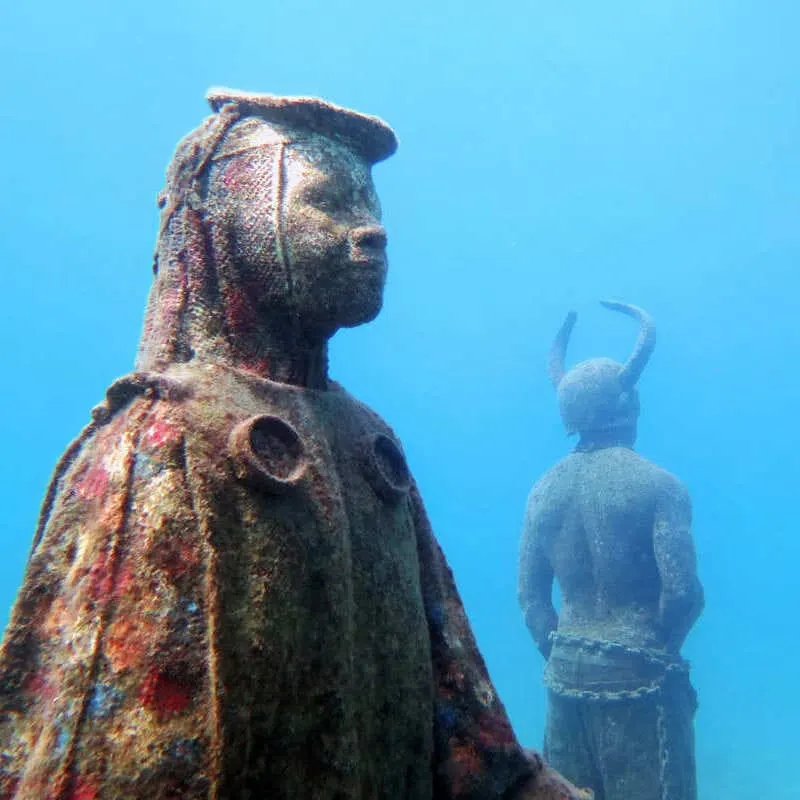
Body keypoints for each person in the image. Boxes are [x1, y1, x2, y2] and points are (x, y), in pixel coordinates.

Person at [0, 88, 590, 799]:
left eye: (371, 204)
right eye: (327, 201)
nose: (372, 230)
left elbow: (457, 705)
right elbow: (98, 743)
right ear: (224, 219)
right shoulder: (163, 439)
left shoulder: (370, 444)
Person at [518, 301, 704, 800]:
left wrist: (566, 649)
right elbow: (683, 594)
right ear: (628, 407)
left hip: (565, 676)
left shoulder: (542, 492)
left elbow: (533, 603)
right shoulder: (660, 487)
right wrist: (653, 648)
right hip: (642, 677)